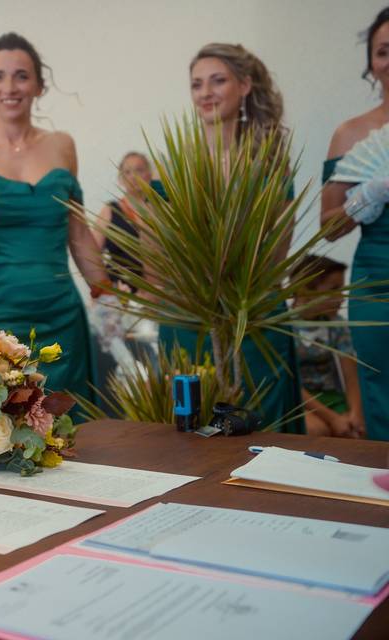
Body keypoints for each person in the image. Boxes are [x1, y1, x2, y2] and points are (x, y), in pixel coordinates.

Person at [155, 42, 303, 431]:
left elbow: (280, 243)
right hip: (189, 317)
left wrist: (235, 291)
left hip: (252, 312)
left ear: (245, 85)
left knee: (261, 422)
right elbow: (156, 248)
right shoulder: (174, 165)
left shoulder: (268, 160)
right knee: (194, 423)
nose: (205, 92)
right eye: (197, 84)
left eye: (217, 81)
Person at [0, 32, 109, 402]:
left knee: (71, 441)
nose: (10, 86)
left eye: (21, 75)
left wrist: (107, 297)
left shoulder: (62, 145)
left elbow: (79, 234)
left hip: (60, 318)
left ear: (40, 85)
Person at [321, 7, 389, 441]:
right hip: (377, 284)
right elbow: (327, 228)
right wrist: (366, 197)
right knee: (382, 392)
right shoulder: (350, 135)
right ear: (371, 64)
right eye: (384, 51)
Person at [292, 255, 364, 438]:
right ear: (306, 291)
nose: (342, 297)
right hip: (301, 401)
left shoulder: (336, 324)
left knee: (358, 432)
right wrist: (332, 419)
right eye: (335, 289)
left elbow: (351, 375)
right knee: (317, 431)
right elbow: (290, 383)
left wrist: (356, 413)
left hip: (333, 397)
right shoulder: (285, 328)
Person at [91, 151, 152, 292]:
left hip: (156, 290)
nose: (134, 176)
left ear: (149, 174)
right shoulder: (110, 210)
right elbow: (92, 254)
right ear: (121, 179)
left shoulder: (161, 210)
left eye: (139, 170)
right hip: (120, 291)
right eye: (127, 172)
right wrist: (101, 290)